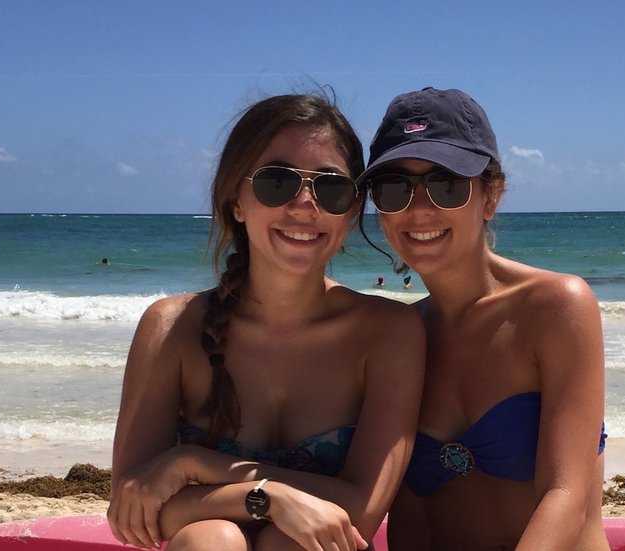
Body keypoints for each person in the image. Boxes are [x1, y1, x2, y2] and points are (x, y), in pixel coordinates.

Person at [108, 94, 425, 551]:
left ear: (352, 209)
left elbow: (361, 511)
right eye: (277, 182)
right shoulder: (171, 328)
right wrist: (267, 498)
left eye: (331, 188)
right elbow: (132, 510)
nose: (304, 204)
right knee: (212, 539)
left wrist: (193, 463)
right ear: (235, 200)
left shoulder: (388, 332)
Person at [359, 87, 609, 550]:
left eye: (446, 185)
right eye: (394, 188)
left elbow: (566, 498)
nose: (419, 208)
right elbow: (408, 515)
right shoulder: (400, 334)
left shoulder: (555, 306)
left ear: (490, 196)